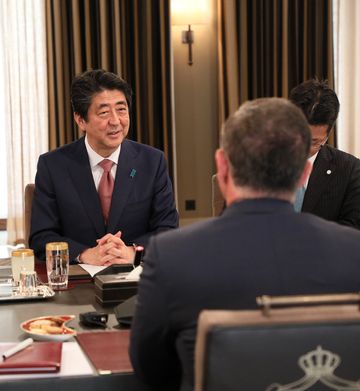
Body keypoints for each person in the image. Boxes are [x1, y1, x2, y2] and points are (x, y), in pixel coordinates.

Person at [129, 98, 360, 391]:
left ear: (222, 166)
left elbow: (149, 369)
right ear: (304, 173)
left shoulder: (171, 256)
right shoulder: (354, 252)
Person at [29, 69, 178, 264]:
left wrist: (133, 252)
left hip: (136, 278)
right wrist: (84, 254)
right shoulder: (53, 165)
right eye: (104, 112)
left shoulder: (152, 161)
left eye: (121, 109)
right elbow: (41, 236)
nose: (116, 121)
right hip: (78, 280)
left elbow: (167, 230)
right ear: (80, 120)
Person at [289, 79, 360, 229]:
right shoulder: (261, 161)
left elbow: (351, 232)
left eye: (314, 142)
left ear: (328, 135)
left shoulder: (350, 170)